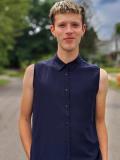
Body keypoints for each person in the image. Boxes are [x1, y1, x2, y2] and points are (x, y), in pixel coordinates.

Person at [18, 0, 108, 160]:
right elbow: (24, 119)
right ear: (53, 30)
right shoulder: (34, 73)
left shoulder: (99, 76)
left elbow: (99, 122)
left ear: (83, 29)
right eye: (62, 25)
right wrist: (33, 155)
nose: (69, 31)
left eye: (75, 25)